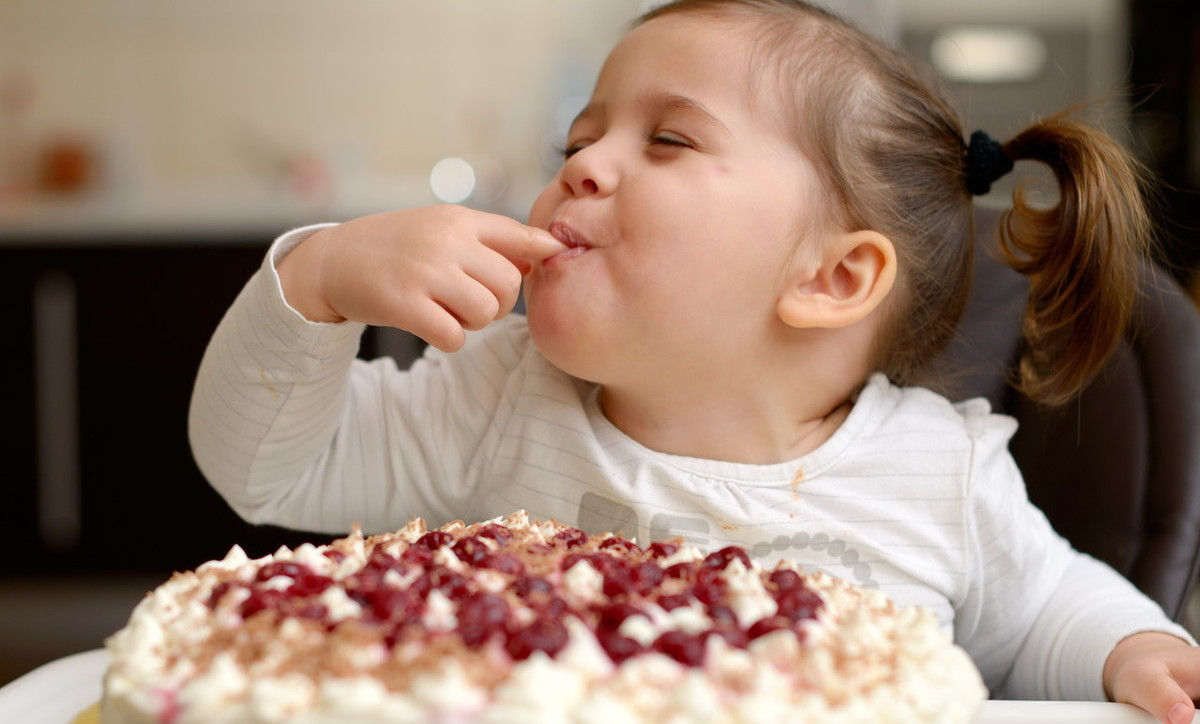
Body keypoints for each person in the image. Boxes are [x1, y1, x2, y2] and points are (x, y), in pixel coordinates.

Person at [188, 0, 1200, 721]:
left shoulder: (939, 475)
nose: (581, 164)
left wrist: (1141, 651)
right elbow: (268, 465)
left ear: (833, 278)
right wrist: (316, 277)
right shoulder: (501, 397)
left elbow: (1052, 607)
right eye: (574, 140)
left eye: (667, 140)